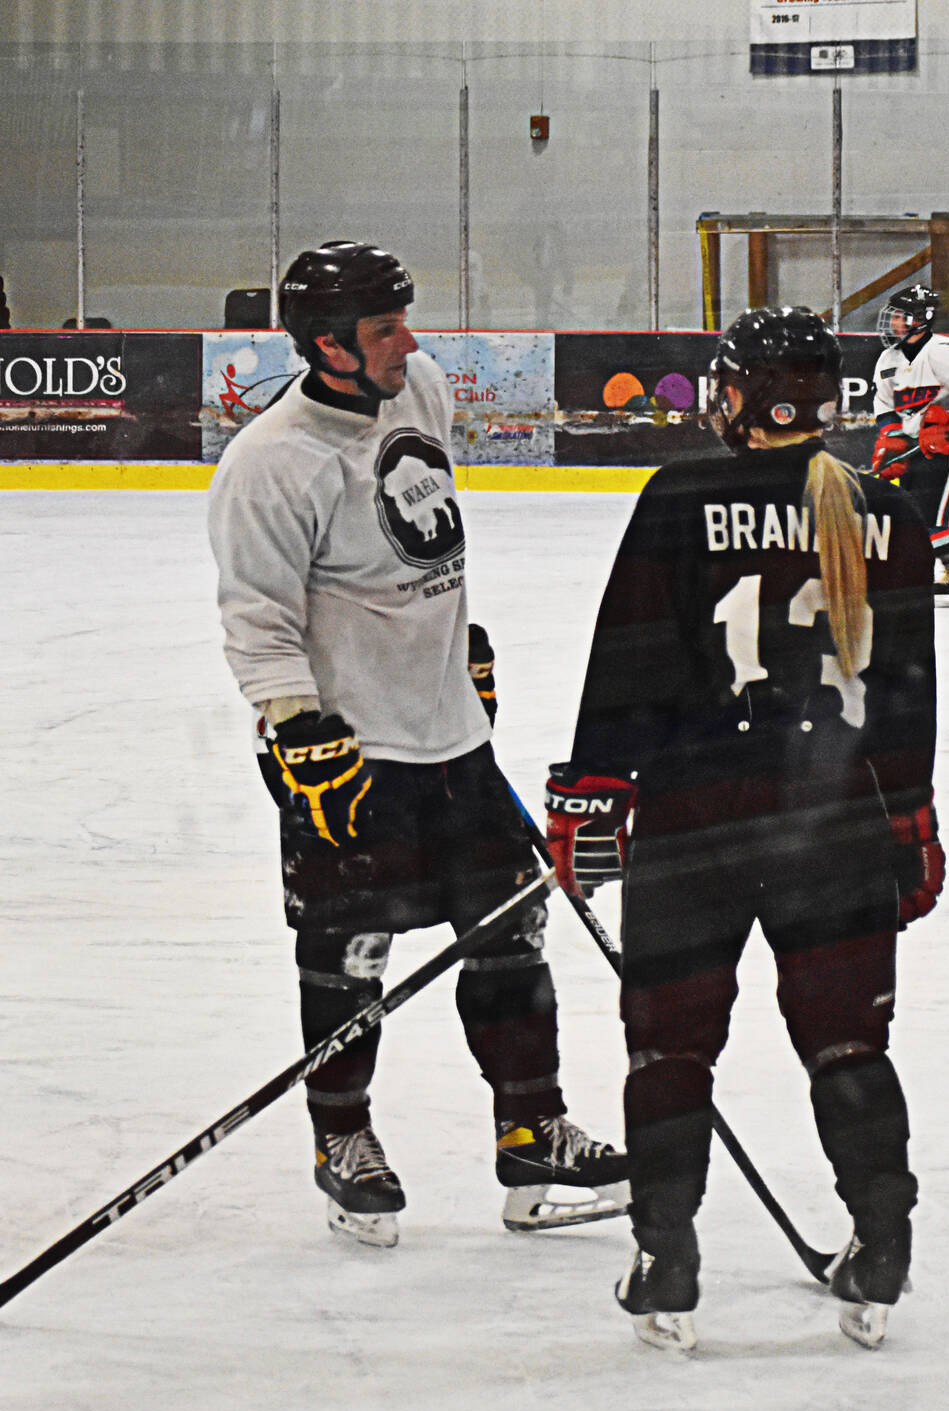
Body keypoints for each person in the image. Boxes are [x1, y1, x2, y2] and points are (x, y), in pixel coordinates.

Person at [207, 241, 629, 1248]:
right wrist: (296, 725)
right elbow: (256, 618)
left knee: (511, 940)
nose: (412, 340)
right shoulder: (273, 463)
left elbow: (426, 543)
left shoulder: (421, 390)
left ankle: (532, 1130)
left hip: (456, 743)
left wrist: (460, 647)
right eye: (385, 328)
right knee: (347, 956)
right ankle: (342, 1140)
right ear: (327, 346)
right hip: (349, 758)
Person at [547, 306, 940, 1354]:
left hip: (693, 816)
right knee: (848, 1038)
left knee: (669, 1043)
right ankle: (881, 1239)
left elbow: (628, 656)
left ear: (749, 396)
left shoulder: (681, 496)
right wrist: (909, 816)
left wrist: (590, 790)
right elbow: (906, 688)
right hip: (836, 817)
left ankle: (664, 1253)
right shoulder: (887, 509)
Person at [870, 283, 949, 606]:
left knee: (939, 514)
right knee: (912, 511)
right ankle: (937, 570)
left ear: (921, 319)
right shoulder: (887, 359)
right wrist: (892, 441)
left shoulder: (946, 352)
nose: (892, 322)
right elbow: (886, 408)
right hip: (914, 442)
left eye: (900, 316)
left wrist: (944, 423)